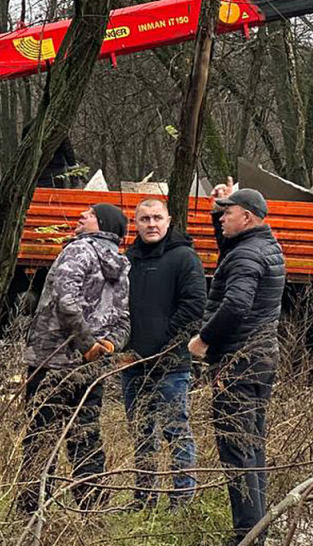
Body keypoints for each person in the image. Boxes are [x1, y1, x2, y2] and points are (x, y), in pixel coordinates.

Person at [189, 180, 285, 545]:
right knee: (253, 446)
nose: (222, 219)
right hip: (261, 359)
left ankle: (246, 536)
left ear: (246, 218)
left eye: (227, 214)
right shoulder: (263, 245)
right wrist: (218, 206)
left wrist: (204, 340)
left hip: (239, 362)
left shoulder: (246, 255)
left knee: (236, 450)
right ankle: (257, 531)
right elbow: (230, 248)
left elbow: (235, 304)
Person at [17, 203, 130, 513]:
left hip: (52, 359)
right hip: (91, 367)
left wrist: (87, 345)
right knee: (86, 435)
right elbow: (124, 319)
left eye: (89, 214)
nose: (81, 216)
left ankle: (31, 510)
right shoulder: (121, 263)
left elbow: (66, 304)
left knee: (42, 434)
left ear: (102, 223)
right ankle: (92, 509)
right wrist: (106, 346)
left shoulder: (78, 250)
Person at [122, 198, 206, 509]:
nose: (151, 224)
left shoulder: (184, 257)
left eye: (157, 217)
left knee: (176, 431)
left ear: (169, 221)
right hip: (133, 363)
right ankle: (144, 498)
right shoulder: (128, 259)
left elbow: (195, 305)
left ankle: (182, 499)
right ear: (136, 223)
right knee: (141, 433)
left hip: (171, 365)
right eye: (144, 219)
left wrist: (165, 344)